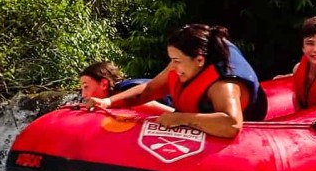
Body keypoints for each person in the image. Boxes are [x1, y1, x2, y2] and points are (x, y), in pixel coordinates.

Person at [86, 24, 266, 138]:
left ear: (199, 60)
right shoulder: (183, 65)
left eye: (177, 60)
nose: (173, 66)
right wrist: (108, 101)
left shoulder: (223, 86)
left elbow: (232, 124)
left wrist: (181, 118)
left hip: (249, 115)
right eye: (172, 60)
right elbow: (148, 91)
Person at [77, 60, 173, 115]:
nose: (83, 94)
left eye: (86, 87)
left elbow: (146, 104)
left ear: (104, 84)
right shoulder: (122, 89)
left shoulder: (124, 91)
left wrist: (178, 116)